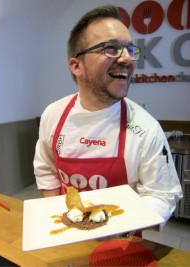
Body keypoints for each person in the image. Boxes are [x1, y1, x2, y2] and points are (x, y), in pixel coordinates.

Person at [33, 5, 182, 228]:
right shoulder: (53, 114)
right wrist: (64, 221)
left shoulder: (146, 128)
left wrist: (110, 228)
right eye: (111, 49)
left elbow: (162, 196)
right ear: (76, 66)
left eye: (131, 50)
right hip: (66, 234)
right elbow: (46, 168)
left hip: (122, 240)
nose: (127, 59)